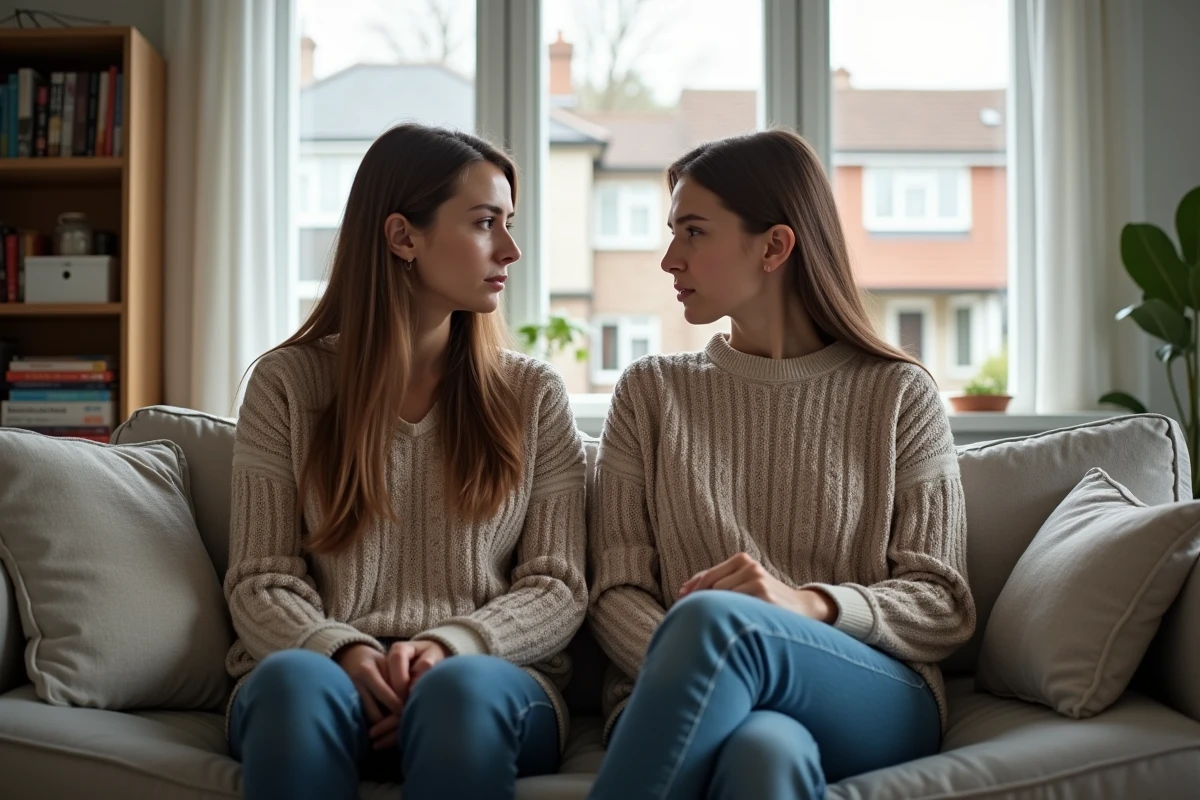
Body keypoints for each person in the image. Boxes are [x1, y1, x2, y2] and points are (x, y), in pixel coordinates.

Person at [586, 128, 976, 800]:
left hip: (868, 690)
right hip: (677, 694)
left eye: (694, 232)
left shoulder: (896, 393)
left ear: (774, 246)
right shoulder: (651, 392)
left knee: (717, 623)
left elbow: (940, 603)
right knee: (764, 754)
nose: (669, 259)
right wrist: (699, 672)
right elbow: (617, 591)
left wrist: (806, 604)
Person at [223, 123, 588, 800]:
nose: (510, 249)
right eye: (485, 223)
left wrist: (450, 646)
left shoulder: (533, 395)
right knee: (294, 685)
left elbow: (558, 586)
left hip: (487, 678)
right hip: (323, 675)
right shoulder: (287, 385)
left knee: (457, 694)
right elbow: (260, 579)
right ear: (402, 237)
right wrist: (347, 651)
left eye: (509, 223)